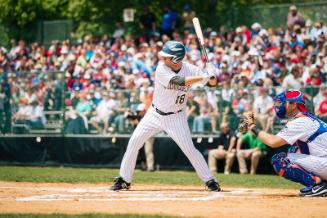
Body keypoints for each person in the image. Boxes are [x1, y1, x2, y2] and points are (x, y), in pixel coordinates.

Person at [111, 40, 220, 191]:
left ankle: (210, 181)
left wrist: (212, 75)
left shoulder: (190, 69)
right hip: (154, 114)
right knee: (134, 142)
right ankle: (124, 179)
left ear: (176, 59)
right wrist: (204, 76)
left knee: (189, 149)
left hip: (176, 117)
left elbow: (212, 84)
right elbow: (178, 82)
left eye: (167, 56)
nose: (163, 58)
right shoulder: (161, 69)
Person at [239, 90, 327, 197]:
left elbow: (273, 142)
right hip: (323, 161)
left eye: (283, 102)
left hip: (324, 163)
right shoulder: (308, 118)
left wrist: (252, 126)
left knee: (280, 160)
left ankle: (317, 185)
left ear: (294, 105)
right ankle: (322, 183)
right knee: (293, 150)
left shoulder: (301, 121)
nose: (279, 105)